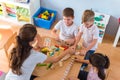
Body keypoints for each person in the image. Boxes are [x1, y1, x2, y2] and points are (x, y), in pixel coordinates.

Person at [5, 24, 75, 80]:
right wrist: (68, 51)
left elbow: (36, 39)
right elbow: (56, 59)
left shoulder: (16, 48)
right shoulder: (34, 55)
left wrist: (38, 43)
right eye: (36, 36)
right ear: (33, 39)